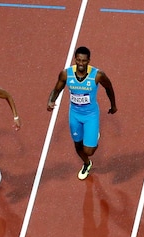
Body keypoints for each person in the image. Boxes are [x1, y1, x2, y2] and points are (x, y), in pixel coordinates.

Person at [47, 46, 117, 180]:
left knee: (89, 151)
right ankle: (86, 164)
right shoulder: (66, 74)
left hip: (91, 115)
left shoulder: (97, 75)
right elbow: (56, 89)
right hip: (74, 114)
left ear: (88, 61)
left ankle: (94, 136)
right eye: (78, 60)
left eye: (84, 61)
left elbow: (109, 87)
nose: (81, 63)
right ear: (75, 60)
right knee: (78, 145)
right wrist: (51, 101)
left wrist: (113, 105)